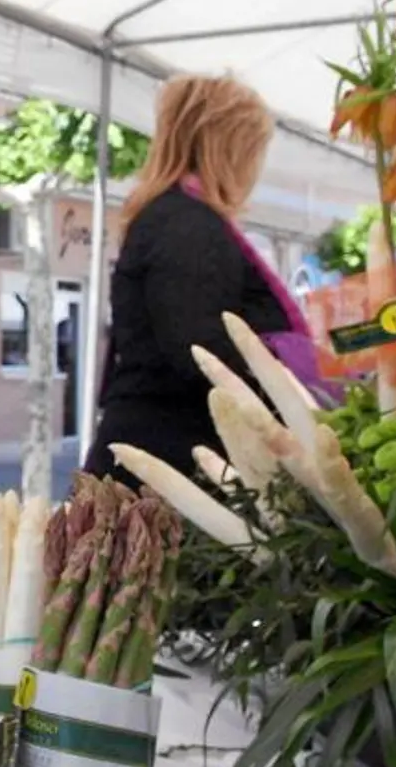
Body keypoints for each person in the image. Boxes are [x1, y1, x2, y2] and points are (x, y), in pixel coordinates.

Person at [82, 74, 322, 486]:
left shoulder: (176, 218)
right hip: (173, 461)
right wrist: (287, 385)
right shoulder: (187, 226)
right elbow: (199, 351)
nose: (254, 169)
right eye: (253, 151)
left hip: (165, 452)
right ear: (228, 148)